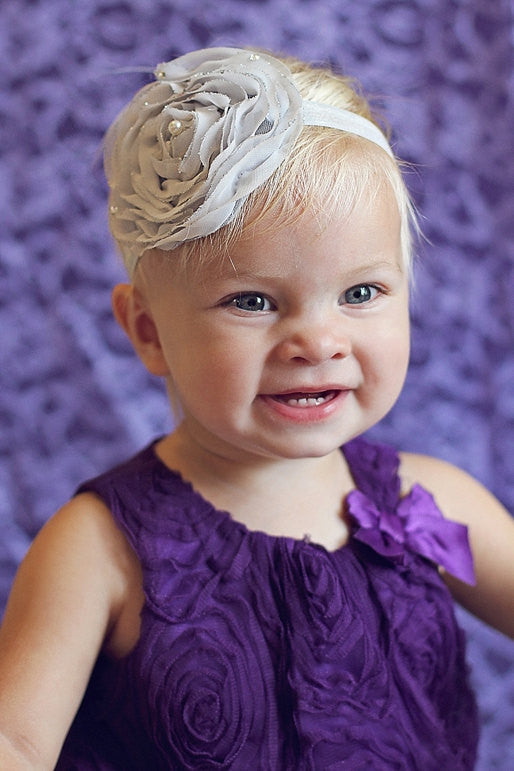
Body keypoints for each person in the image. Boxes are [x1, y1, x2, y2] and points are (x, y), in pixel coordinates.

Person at [0, 46, 512, 770]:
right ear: (148, 330)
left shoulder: (426, 499)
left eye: (360, 292)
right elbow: (15, 739)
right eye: (253, 301)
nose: (317, 340)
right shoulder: (98, 548)